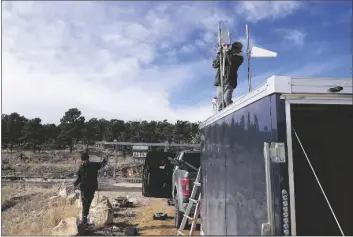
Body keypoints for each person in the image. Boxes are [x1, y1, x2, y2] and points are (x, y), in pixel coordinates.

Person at [74, 153, 107, 225]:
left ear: (88, 159)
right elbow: (79, 178)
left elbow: (102, 164)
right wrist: (74, 184)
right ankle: (84, 220)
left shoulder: (93, 165)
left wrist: (105, 158)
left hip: (91, 187)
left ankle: (85, 219)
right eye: (83, 161)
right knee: (85, 204)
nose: (84, 162)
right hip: (83, 188)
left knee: (88, 203)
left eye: (85, 160)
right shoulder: (81, 168)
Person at [212, 41, 244, 111]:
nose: (233, 49)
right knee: (220, 103)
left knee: (226, 98)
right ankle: (221, 117)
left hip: (230, 81)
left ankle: (232, 112)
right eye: (233, 47)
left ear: (239, 49)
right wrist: (219, 54)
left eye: (236, 48)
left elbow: (230, 62)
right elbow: (215, 65)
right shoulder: (225, 54)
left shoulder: (239, 58)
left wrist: (226, 51)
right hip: (220, 81)